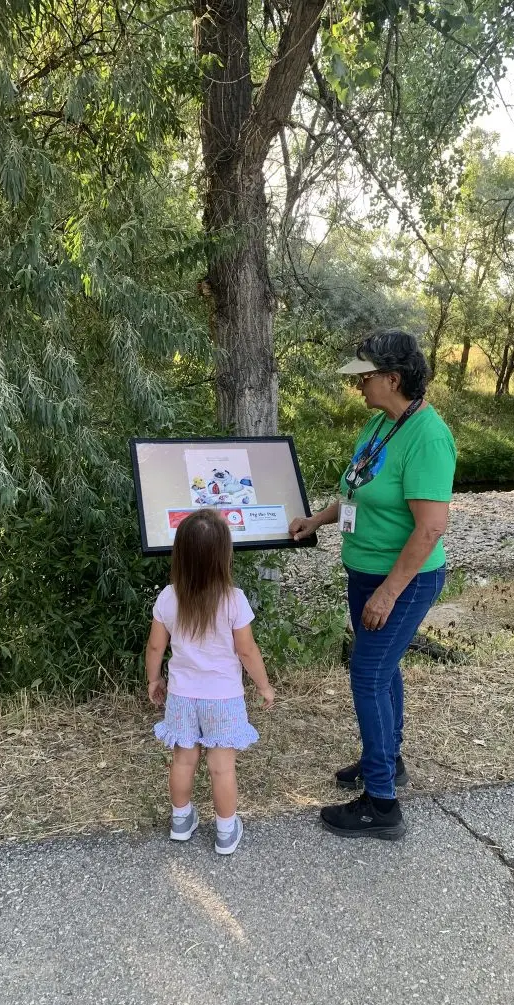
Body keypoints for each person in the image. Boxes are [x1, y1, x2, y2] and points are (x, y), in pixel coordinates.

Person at [289, 329, 456, 841]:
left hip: (403, 580)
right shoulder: (380, 423)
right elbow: (356, 490)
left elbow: (430, 527)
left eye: (366, 376)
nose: (358, 384)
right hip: (364, 570)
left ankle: (382, 804)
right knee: (383, 670)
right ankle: (387, 757)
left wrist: (388, 593)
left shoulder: (427, 436)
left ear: (393, 378)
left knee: (366, 673)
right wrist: (317, 519)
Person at [146, 509, 275, 855]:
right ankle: (225, 832)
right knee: (222, 768)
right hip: (223, 699)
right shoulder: (234, 599)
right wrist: (264, 686)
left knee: (183, 760)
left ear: (180, 553)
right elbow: (247, 652)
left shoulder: (169, 597)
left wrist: (154, 678)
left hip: (182, 696)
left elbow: (156, 645)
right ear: (224, 555)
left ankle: (180, 821)